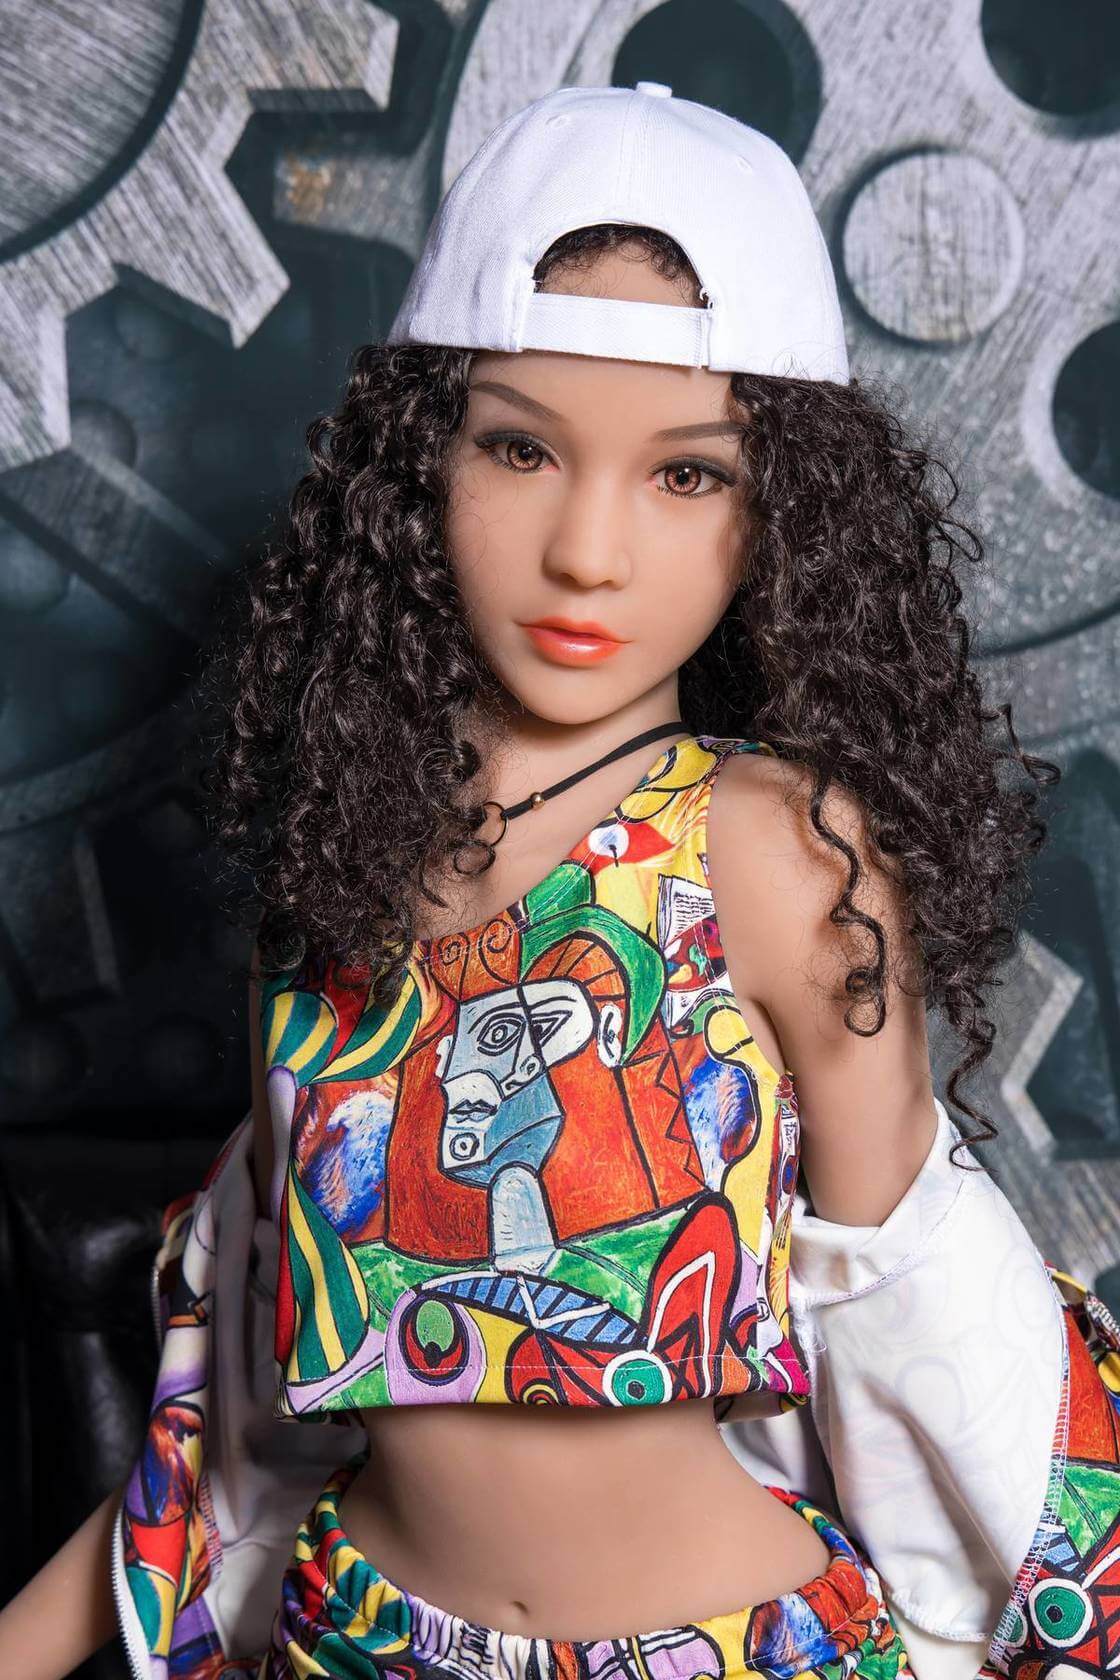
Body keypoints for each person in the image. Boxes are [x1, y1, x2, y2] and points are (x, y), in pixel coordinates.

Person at [4, 81, 1119, 1680]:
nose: (588, 550)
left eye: (687, 475)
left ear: (785, 516)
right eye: (521, 447)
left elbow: (925, 1308)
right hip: (354, 1639)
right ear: (418, 463)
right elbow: (241, 1417)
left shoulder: (772, 849)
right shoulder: (336, 870)